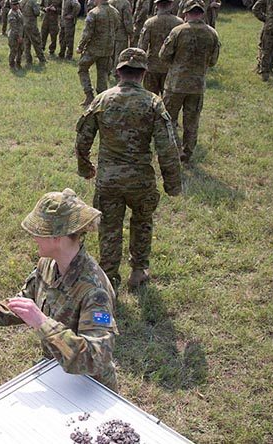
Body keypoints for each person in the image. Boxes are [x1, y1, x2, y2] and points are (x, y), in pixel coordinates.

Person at [0, 188, 119, 391]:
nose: (33, 237)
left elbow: (95, 359)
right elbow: (23, 303)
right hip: (57, 374)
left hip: (90, 389)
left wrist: (42, 323)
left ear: (56, 238)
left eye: (38, 232)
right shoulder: (48, 265)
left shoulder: (95, 292)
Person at [76, 47, 182, 289]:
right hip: (140, 180)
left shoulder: (102, 99)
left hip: (109, 180)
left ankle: (109, 276)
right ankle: (138, 270)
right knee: (142, 222)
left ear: (118, 72)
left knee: (110, 226)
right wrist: (172, 183)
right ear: (143, 73)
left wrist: (85, 167)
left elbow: (83, 139)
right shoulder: (153, 102)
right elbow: (167, 147)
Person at [159, 0, 220, 163]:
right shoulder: (212, 33)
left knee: (169, 119)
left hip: (175, 85)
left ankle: (172, 150)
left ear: (186, 13)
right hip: (197, 86)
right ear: (202, 13)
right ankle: (187, 153)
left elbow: (163, 55)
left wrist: (176, 64)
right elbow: (213, 61)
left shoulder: (178, 31)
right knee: (192, 121)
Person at [77, 0, 120, 106]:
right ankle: (101, 99)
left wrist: (80, 47)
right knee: (103, 73)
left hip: (94, 49)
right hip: (108, 49)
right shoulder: (115, 12)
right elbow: (117, 27)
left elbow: (87, 33)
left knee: (82, 68)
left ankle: (89, 95)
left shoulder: (94, 13)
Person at [137, 0, 182, 95]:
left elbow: (142, 47)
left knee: (150, 98)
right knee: (167, 99)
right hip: (170, 67)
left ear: (156, 5)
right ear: (171, 4)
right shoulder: (179, 23)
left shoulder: (150, 22)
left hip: (152, 66)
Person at [21, 0, 46, 66]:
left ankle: (28, 60)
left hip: (24, 24)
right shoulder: (33, 2)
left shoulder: (22, 2)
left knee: (26, 43)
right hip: (31, 25)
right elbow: (37, 13)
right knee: (36, 42)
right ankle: (42, 59)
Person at [7, 0, 24, 68]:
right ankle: (12, 64)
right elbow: (14, 27)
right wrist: (18, 37)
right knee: (13, 50)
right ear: (11, 5)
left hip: (20, 34)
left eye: (17, 4)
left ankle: (18, 63)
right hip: (14, 35)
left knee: (20, 50)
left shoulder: (18, 11)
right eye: (14, 5)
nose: (16, 5)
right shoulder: (11, 13)